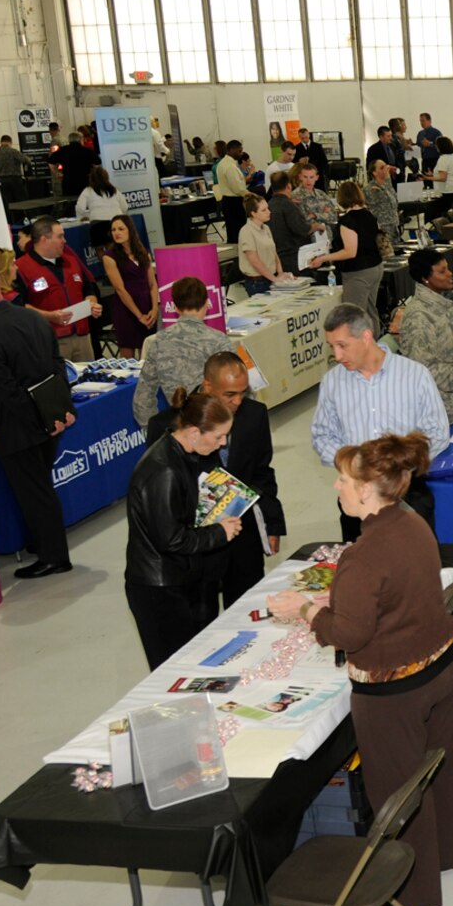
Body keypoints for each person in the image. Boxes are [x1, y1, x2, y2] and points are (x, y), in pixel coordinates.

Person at [267, 433, 453, 906]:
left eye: (342, 479)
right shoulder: (411, 522)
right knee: (436, 768)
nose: (335, 486)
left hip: (396, 691)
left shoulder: (363, 554)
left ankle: (409, 895)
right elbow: (396, 596)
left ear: (366, 490)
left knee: (396, 789)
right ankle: (447, 853)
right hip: (442, 663)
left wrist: (307, 611)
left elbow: (350, 636)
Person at [147, 351, 287, 607]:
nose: (238, 401)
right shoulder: (169, 424)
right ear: (207, 386)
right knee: (202, 617)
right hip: (197, 545)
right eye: (229, 394)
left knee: (247, 609)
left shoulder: (254, 415)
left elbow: (262, 472)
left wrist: (272, 523)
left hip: (243, 536)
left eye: (243, 392)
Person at [0, 263, 75, 578]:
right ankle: (42, 544)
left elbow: (4, 392)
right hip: (49, 422)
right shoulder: (32, 318)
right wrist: (56, 413)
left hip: (19, 429)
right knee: (40, 488)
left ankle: (54, 557)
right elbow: (57, 367)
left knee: (35, 493)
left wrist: (39, 419)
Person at [124, 393, 243, 668]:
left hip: (180, 580)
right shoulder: (164, 471)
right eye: (218, 437)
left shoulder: (183, 456)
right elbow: (171, 539)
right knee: (175, 672)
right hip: (160, 590)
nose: (223, 443)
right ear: (193, 432)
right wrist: (218, 532)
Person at [312, 303, 449, 539]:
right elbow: (322, 435)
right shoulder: (332, 382)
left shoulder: (414, 375)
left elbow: (437, 432)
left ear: (366, 337)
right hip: (357, 496)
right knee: (362, 568)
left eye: (342, 345)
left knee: (414, 567)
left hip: (408, 491)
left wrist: (397, 466)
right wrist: (355, 464)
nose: (337, 355)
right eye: (331, 346)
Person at [394, 248, 453, 424]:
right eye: (442, 271)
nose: (450, 274)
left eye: (448, 268)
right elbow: (422, 369)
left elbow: (452, 342)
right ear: (425, 278)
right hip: (437, 412)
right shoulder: (419, 317)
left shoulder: (444, 303)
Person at [132, 276, 230, 427]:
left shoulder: (159, 341)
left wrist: (153, 429)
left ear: (175, 307)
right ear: (206, 304)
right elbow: (238, 388)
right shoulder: (218, 340)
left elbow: (142, 398)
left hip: (179, 427)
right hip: (213, 424)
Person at [14, 220, 103, 362]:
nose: (65, 241)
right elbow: (18, 305)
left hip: (83, 338)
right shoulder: (20, 268)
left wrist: (91, 303)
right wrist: (50, 316)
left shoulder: (72, 261)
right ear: (44, 239)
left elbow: (89, 288)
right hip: (50, 341)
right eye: (60, 236)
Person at [310, 180, 384, 325]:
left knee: (354, 315)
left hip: (358, 271)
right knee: (370, 310)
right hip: (376, 266)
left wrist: (323, 258)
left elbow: (350, 252)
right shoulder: (369, 214)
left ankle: (360, 345)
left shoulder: (348, 221)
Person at [99, 215, 158, 356]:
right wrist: (139, 316)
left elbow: (152, 284)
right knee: (128, 357)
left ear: (130, 230)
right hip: (126, 310)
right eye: (113, 230)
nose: (116, 233)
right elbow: (120, 289)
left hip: (146, 305)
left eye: (120, 229)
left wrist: (155, 309)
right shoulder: (109, 257)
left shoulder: (143, 252)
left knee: (148, 354)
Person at [266, 171, 313, 276]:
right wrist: (315, 227)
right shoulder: (289, 206)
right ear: (289, 186)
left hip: (274, 258)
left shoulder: (268, 206)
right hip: (293, 258)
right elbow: (302, 229)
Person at [236, 194, 284, 293]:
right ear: (253, 213)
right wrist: (274, 279)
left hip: (271, 277)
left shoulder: (266, 228)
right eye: (264, 210)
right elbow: (255, 261)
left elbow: (273, 252)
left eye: (268, 208)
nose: (269, 212)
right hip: (258, 282)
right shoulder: (246, 231)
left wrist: (280, 272)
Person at [74, 166, 128, 252]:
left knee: (99, 250)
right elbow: (125, 207)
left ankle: (106, 264)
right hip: (115, 222)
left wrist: (88, 215)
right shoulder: (115, 190)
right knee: (114, 250)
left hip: (97, 224)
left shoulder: (88, 190)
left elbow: (80, 208)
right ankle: (113, 264)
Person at [213, 141, 251, 241]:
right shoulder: (230, 166)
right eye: (239, 151)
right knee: (238, 231)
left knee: (232, 230)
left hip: (227, 201)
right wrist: (251, 195)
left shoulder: (223, 163)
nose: (241, 153)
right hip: (234, 202)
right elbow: (238, 188)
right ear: (231, 150)